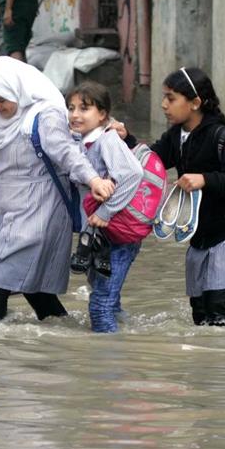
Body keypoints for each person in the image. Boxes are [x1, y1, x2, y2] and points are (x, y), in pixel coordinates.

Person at [0, 57, 115, 323]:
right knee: (33, 287)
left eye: (2, 100)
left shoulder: (44, 116)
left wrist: (93, 180)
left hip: (39, 209)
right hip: (7, 210)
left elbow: (67, 154)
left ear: (18, 90)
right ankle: (64, 333)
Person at [120, 67, 225, 326]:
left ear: (195, 103)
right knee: (200, 312)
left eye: (171, 98)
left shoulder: (222, 137)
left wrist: (204, 179)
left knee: (220, 310)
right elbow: (153, 162)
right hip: (201, 234)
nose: (164, 105)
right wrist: (127, 139)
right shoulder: (177, 135)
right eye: (164, 97)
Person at [66, 81, 144, 333]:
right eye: (71, 108)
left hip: (116, 237)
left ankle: (106, 367)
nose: (75, 114)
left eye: (84, 108)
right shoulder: (83, 142)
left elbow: (133, 174)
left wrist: (105, 213)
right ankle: (125, 343)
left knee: (100, 306)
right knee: (109, 302)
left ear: (102, 115)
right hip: (100, 237)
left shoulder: (106, 140)